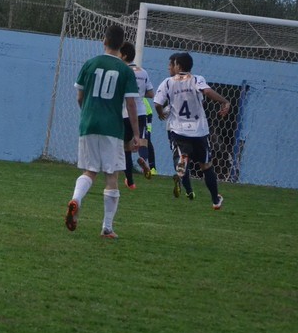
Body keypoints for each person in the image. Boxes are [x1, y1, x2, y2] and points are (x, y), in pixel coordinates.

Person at [65, 24, 142, 239]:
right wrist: (136, 135)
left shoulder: (90, 64)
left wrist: (87, 114)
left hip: (88, 124)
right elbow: (131, 104)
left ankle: (76, 200)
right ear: (122, 45)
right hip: (112, 128)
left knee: (89, 171)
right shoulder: (125, 70)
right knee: (112, 175)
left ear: (104, 41)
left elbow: (80, 97)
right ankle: (107, 227)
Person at [153, 52, 230, 210]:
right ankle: (215, 200)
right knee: (206, 166)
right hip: (199, 131)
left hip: (179, 130)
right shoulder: (196, 79)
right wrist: (225, 101)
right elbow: (207, 91)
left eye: (173, 64)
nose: (171, 67)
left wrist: (160, 113)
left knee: (181, 158)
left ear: (178, 66)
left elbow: (157, 103)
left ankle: (182, 166)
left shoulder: (168, 82)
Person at [119, 42, 155, 189]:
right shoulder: (143, 72)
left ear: (124, 56)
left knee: (126, 148)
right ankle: (143, 158)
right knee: (141, 141)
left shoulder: (122, 71)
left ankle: (130, 181)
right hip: (140, 112)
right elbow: (151, 93)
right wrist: (139, 93)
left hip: (125, 113)